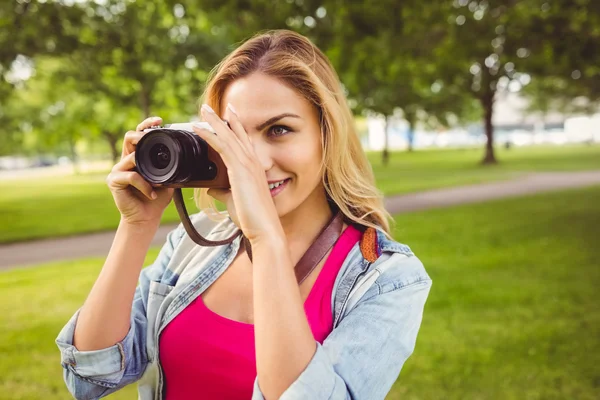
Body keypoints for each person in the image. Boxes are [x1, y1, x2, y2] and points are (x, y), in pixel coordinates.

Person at [56, 29, 432, 400]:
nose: (254, 161)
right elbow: (91, 376)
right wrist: (136, 226)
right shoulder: (192, 244)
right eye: (234, 134)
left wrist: (266, 239)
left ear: (326, 134)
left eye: (279, 130)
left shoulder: (387, 278)